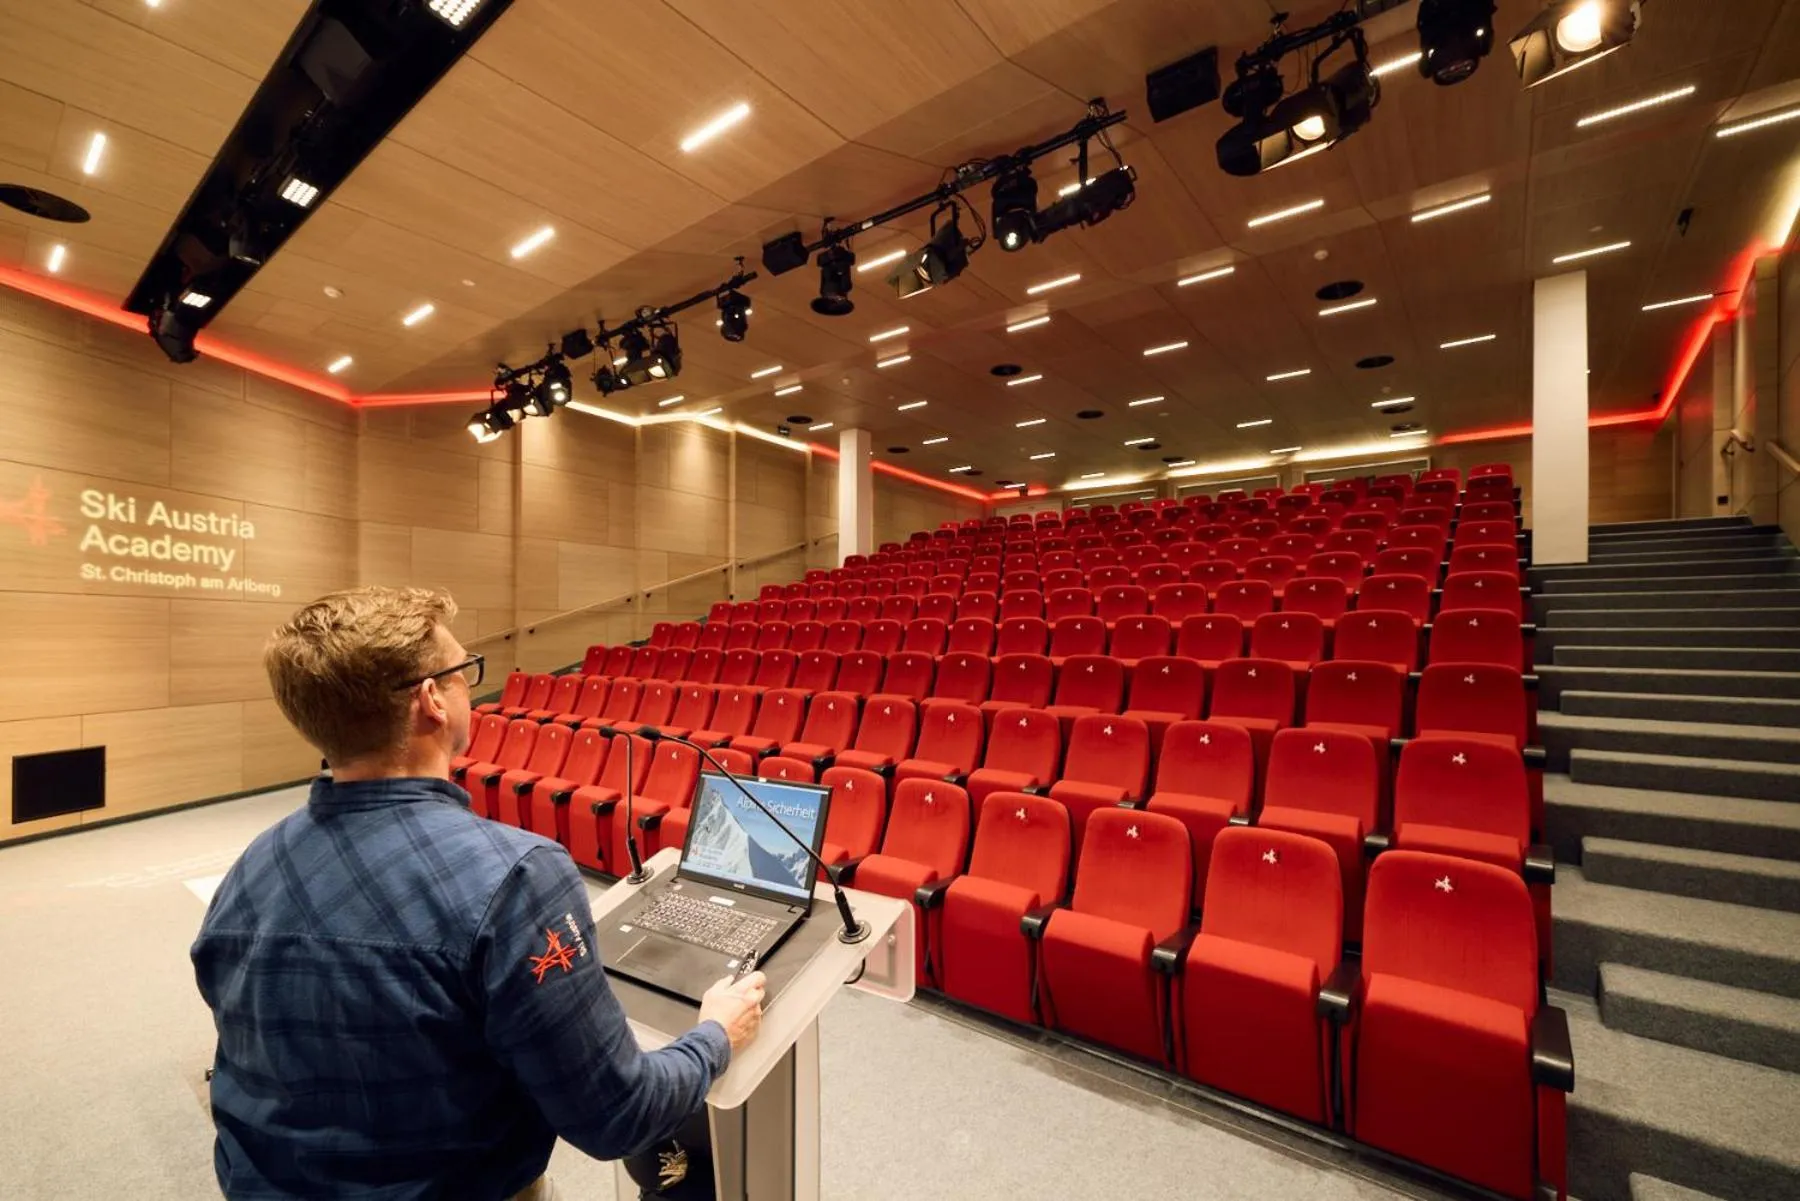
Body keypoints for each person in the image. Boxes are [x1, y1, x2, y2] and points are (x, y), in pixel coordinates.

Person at [191, 586, 765, 1199]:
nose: (473, 685)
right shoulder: (515, 876)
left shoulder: (254, 864)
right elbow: (616, 1116)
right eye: (464, 671)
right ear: (431, 700)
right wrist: (715, 1037)